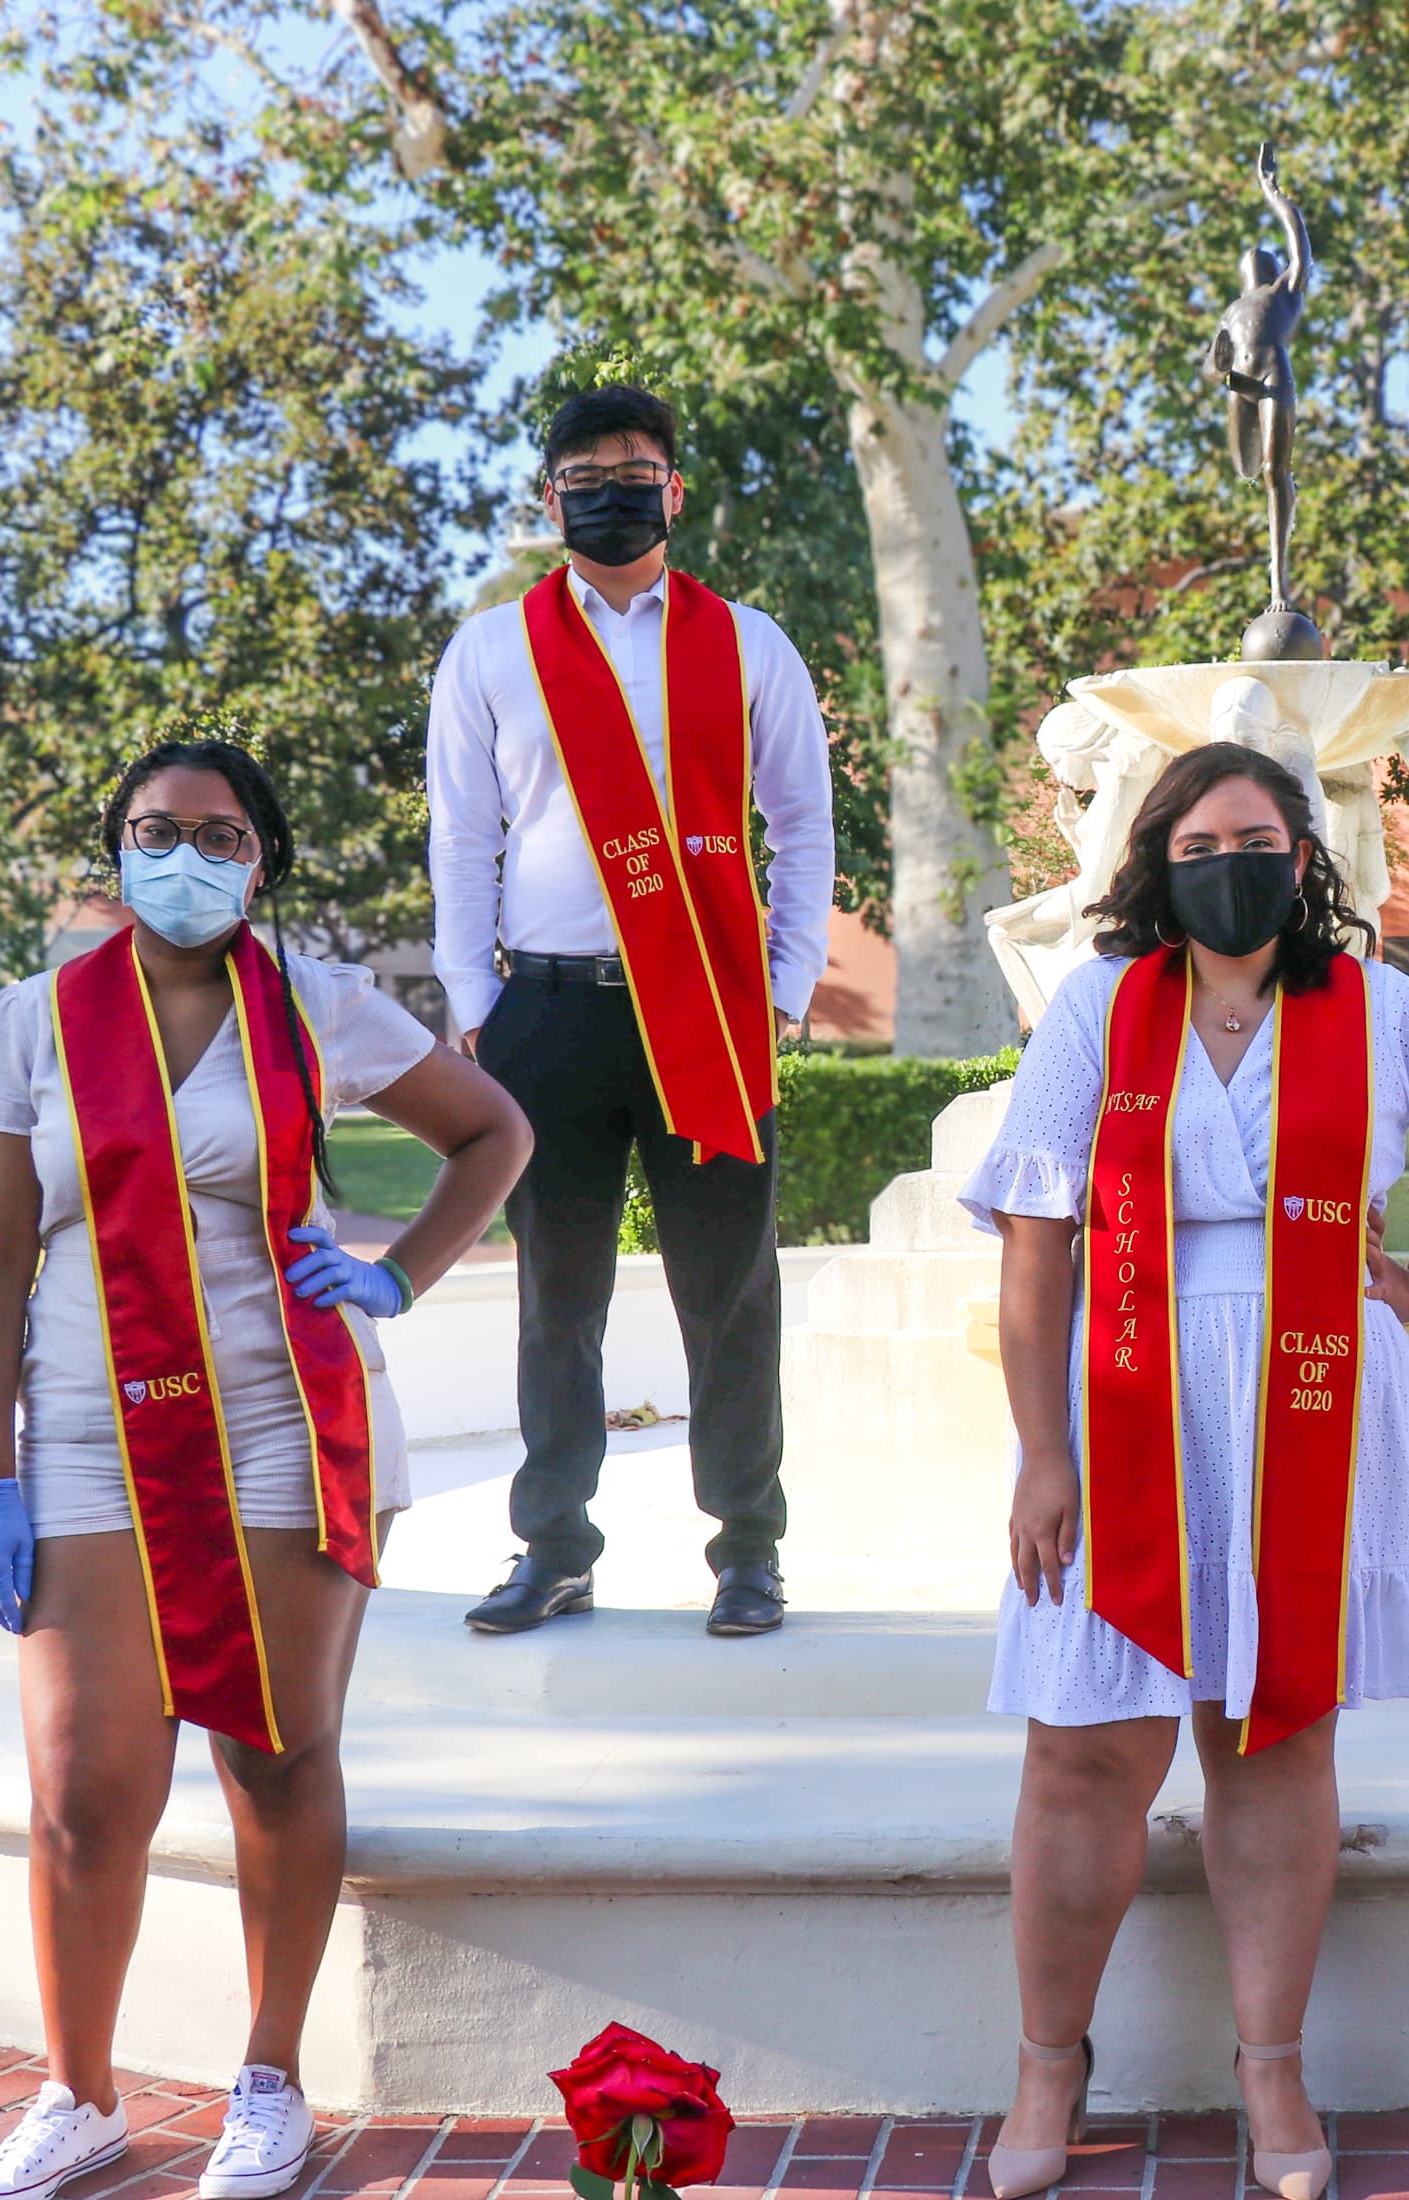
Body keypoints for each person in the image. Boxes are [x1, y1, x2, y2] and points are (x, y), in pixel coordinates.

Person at [967, 744, 1409, 2200]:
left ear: (1304, 859)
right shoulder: (1099, 1009)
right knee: (1084, 1747)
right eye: (1195, 843)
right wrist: (1043, 1452)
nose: (1225, 863)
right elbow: (1037, 1238)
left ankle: (1273, 2071)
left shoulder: (1373, 1008)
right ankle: (1048, 2067)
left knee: (1277, 1733)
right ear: (1156, 863)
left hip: (1315, 1394)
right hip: (1130, 1394)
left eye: (1253, 837)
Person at [0, 740, 528, 2200]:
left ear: (260, 859)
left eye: (214, 834)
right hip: (89, 1431)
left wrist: (398, 1276)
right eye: (154, 830)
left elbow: (492, 1132)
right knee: (86, 1784)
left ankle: (268, 2081)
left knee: (274, 1753)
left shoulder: (319, 1004)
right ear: (115, 848)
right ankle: (76, 2095)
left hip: (286, 1418)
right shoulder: (29, 1025)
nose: (182, 856)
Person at [427, 383, 836, 1638]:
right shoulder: (492, 648)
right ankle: (553, 1546)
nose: (614, 488)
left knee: (729, 1290)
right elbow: (464, 835)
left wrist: (786, 984)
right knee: (559, 1293)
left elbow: (802, 822)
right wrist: (475, 1001)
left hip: (709, 1009)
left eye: (637, 467)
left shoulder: (749, 642)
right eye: (586, 472)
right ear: (548, 499)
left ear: (675, 487)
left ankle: (748, 1552)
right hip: (545, 1014)